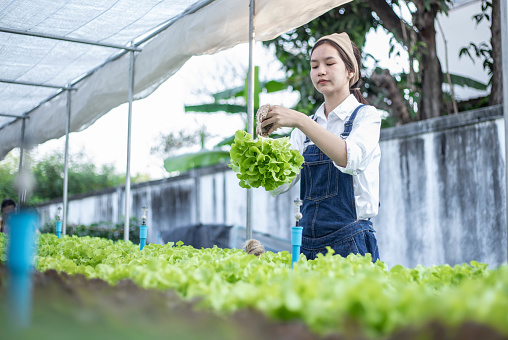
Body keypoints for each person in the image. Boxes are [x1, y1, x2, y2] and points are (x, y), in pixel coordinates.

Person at [260, 33, 381, 262]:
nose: (320, 71)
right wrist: (261, 149)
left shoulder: (366, 117)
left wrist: (301, 121)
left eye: (329, 63)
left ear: (350, 71)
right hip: (306, 243)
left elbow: (349, 158)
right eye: (314, 66)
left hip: (350, 241)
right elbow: (278, 186)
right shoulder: (303, 129)